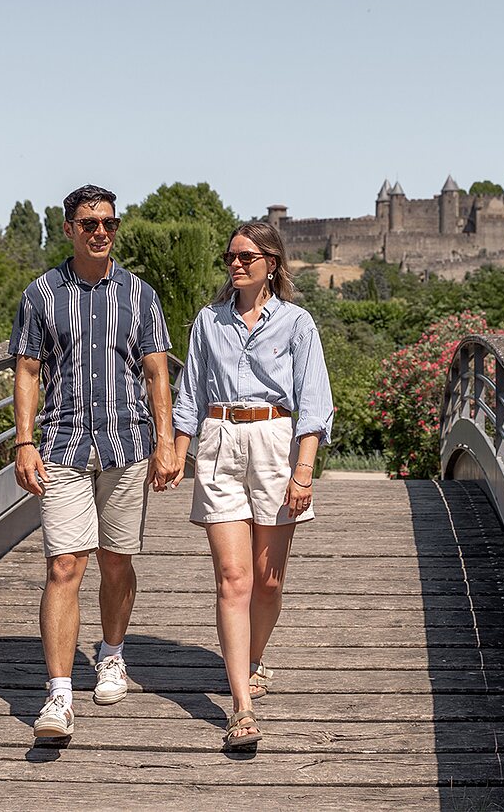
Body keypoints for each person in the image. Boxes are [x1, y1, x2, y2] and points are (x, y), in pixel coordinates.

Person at [10, 184, 180, 739]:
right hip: (61, 446)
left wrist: (165, 440)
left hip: (127, 446)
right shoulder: (40, 294)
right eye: (88, 223)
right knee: (64, 565)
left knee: (116, 562)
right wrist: (24, 441)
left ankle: (111, 654)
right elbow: (28, 372)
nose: (100, 231)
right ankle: (58, 695)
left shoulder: (140, 295)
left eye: (108, 222)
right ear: (68, 230)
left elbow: (157, 372)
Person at [170, 221, 334, 748]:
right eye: (230, 256)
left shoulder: (298, 323)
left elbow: (314, 403)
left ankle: (256, 656)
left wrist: (303, 471)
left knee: (268, 581)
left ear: (272, 262)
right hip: (219, 441)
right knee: (233, 578)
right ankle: (240, 706)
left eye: (245, 256)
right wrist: (176, 449)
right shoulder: (208, 321)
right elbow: (189, 393)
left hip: (275, 442)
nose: (235, 264)